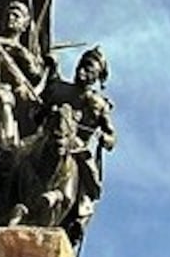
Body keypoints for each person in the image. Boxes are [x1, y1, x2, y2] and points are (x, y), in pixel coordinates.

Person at [41, 46, 116, 242]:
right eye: (81, 66)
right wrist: (52, 66)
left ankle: (80, 217)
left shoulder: (98, 104)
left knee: (89, 176)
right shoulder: (60, 88)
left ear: (96, 77)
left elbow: (111, 135)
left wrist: (106, 139)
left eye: (89, 69)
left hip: (77, 147)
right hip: (48, 137)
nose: (82, 71)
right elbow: (44, 99)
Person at [0, 0, 45, 147]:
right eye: (8, 15)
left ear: (25, 25)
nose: (10, 18)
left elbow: (35, 75)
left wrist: (22, 55)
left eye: (16, 16)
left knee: (3, 99)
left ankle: (8, 144)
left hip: (5, 90)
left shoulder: (23, 52)